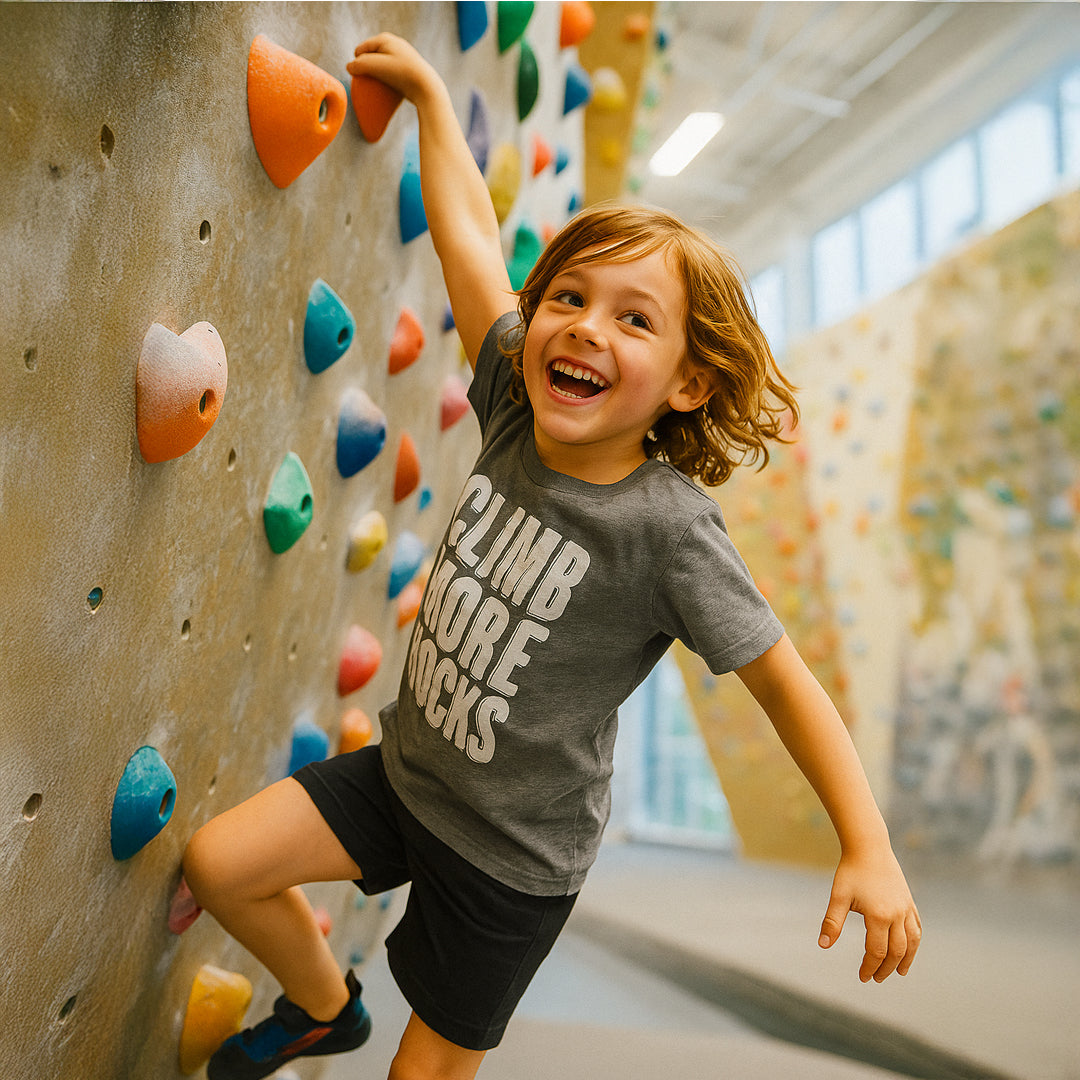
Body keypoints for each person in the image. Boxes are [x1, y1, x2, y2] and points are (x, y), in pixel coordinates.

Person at [183, 32, 921, 1080]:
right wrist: (439, 106)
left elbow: (785, 686)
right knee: (221, 863)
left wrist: (868, 843)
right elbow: (471, 249)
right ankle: (321, 1009)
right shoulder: (514, 410)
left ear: (687, 385)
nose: (581, 328)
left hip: (510, 861)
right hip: (406, 775)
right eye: (568, 300)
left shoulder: (668, 530)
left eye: (633, 318)